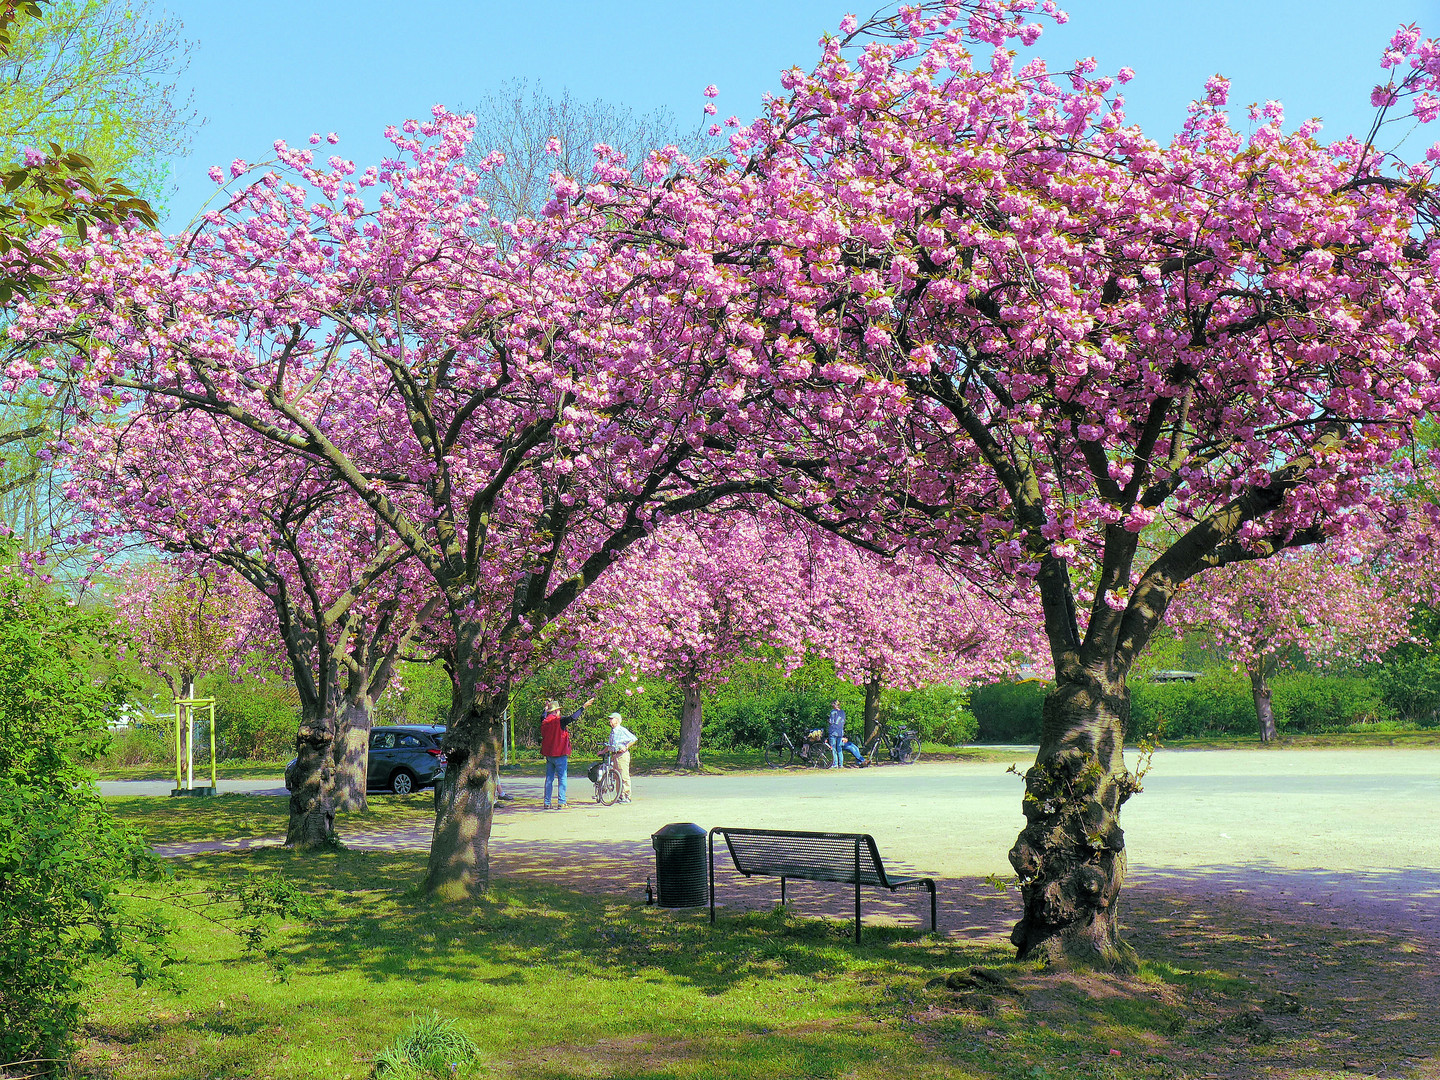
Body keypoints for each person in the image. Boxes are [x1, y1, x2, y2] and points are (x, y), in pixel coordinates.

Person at [541, 695, 593, 809]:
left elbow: (543, 715)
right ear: (556, 711)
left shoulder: (544, 721)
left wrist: (546, 708)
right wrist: (583, 707)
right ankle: (561, 802)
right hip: (560, 753)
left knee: (549, 778)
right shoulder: (560, 721)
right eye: (559, 709)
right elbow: (573, 717)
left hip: (549, 754)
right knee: (562, 778)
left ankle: (547, 802)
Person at [605, 712, 638, 803]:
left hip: (622, 756)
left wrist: (626, 747)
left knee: (624, 776)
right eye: (610, 719)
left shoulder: (622, 730)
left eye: (612, 719)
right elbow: (609, 745)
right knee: (616, 776)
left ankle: (627, 796)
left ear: (617, 720)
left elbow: (633, 739)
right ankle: (620, 795)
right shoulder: (613, 731)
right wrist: (603, 751)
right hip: (614, 755)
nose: (610, 721)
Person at [827, 699, 865, 768]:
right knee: (839, 749)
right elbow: (843, 722)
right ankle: (840, 764)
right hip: (840, 732)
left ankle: (835, 764)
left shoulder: (833, 712)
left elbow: (831, 721)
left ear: (834, 705)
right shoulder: (842, 712)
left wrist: (828, 721)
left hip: (833, 732)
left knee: (833, 748)